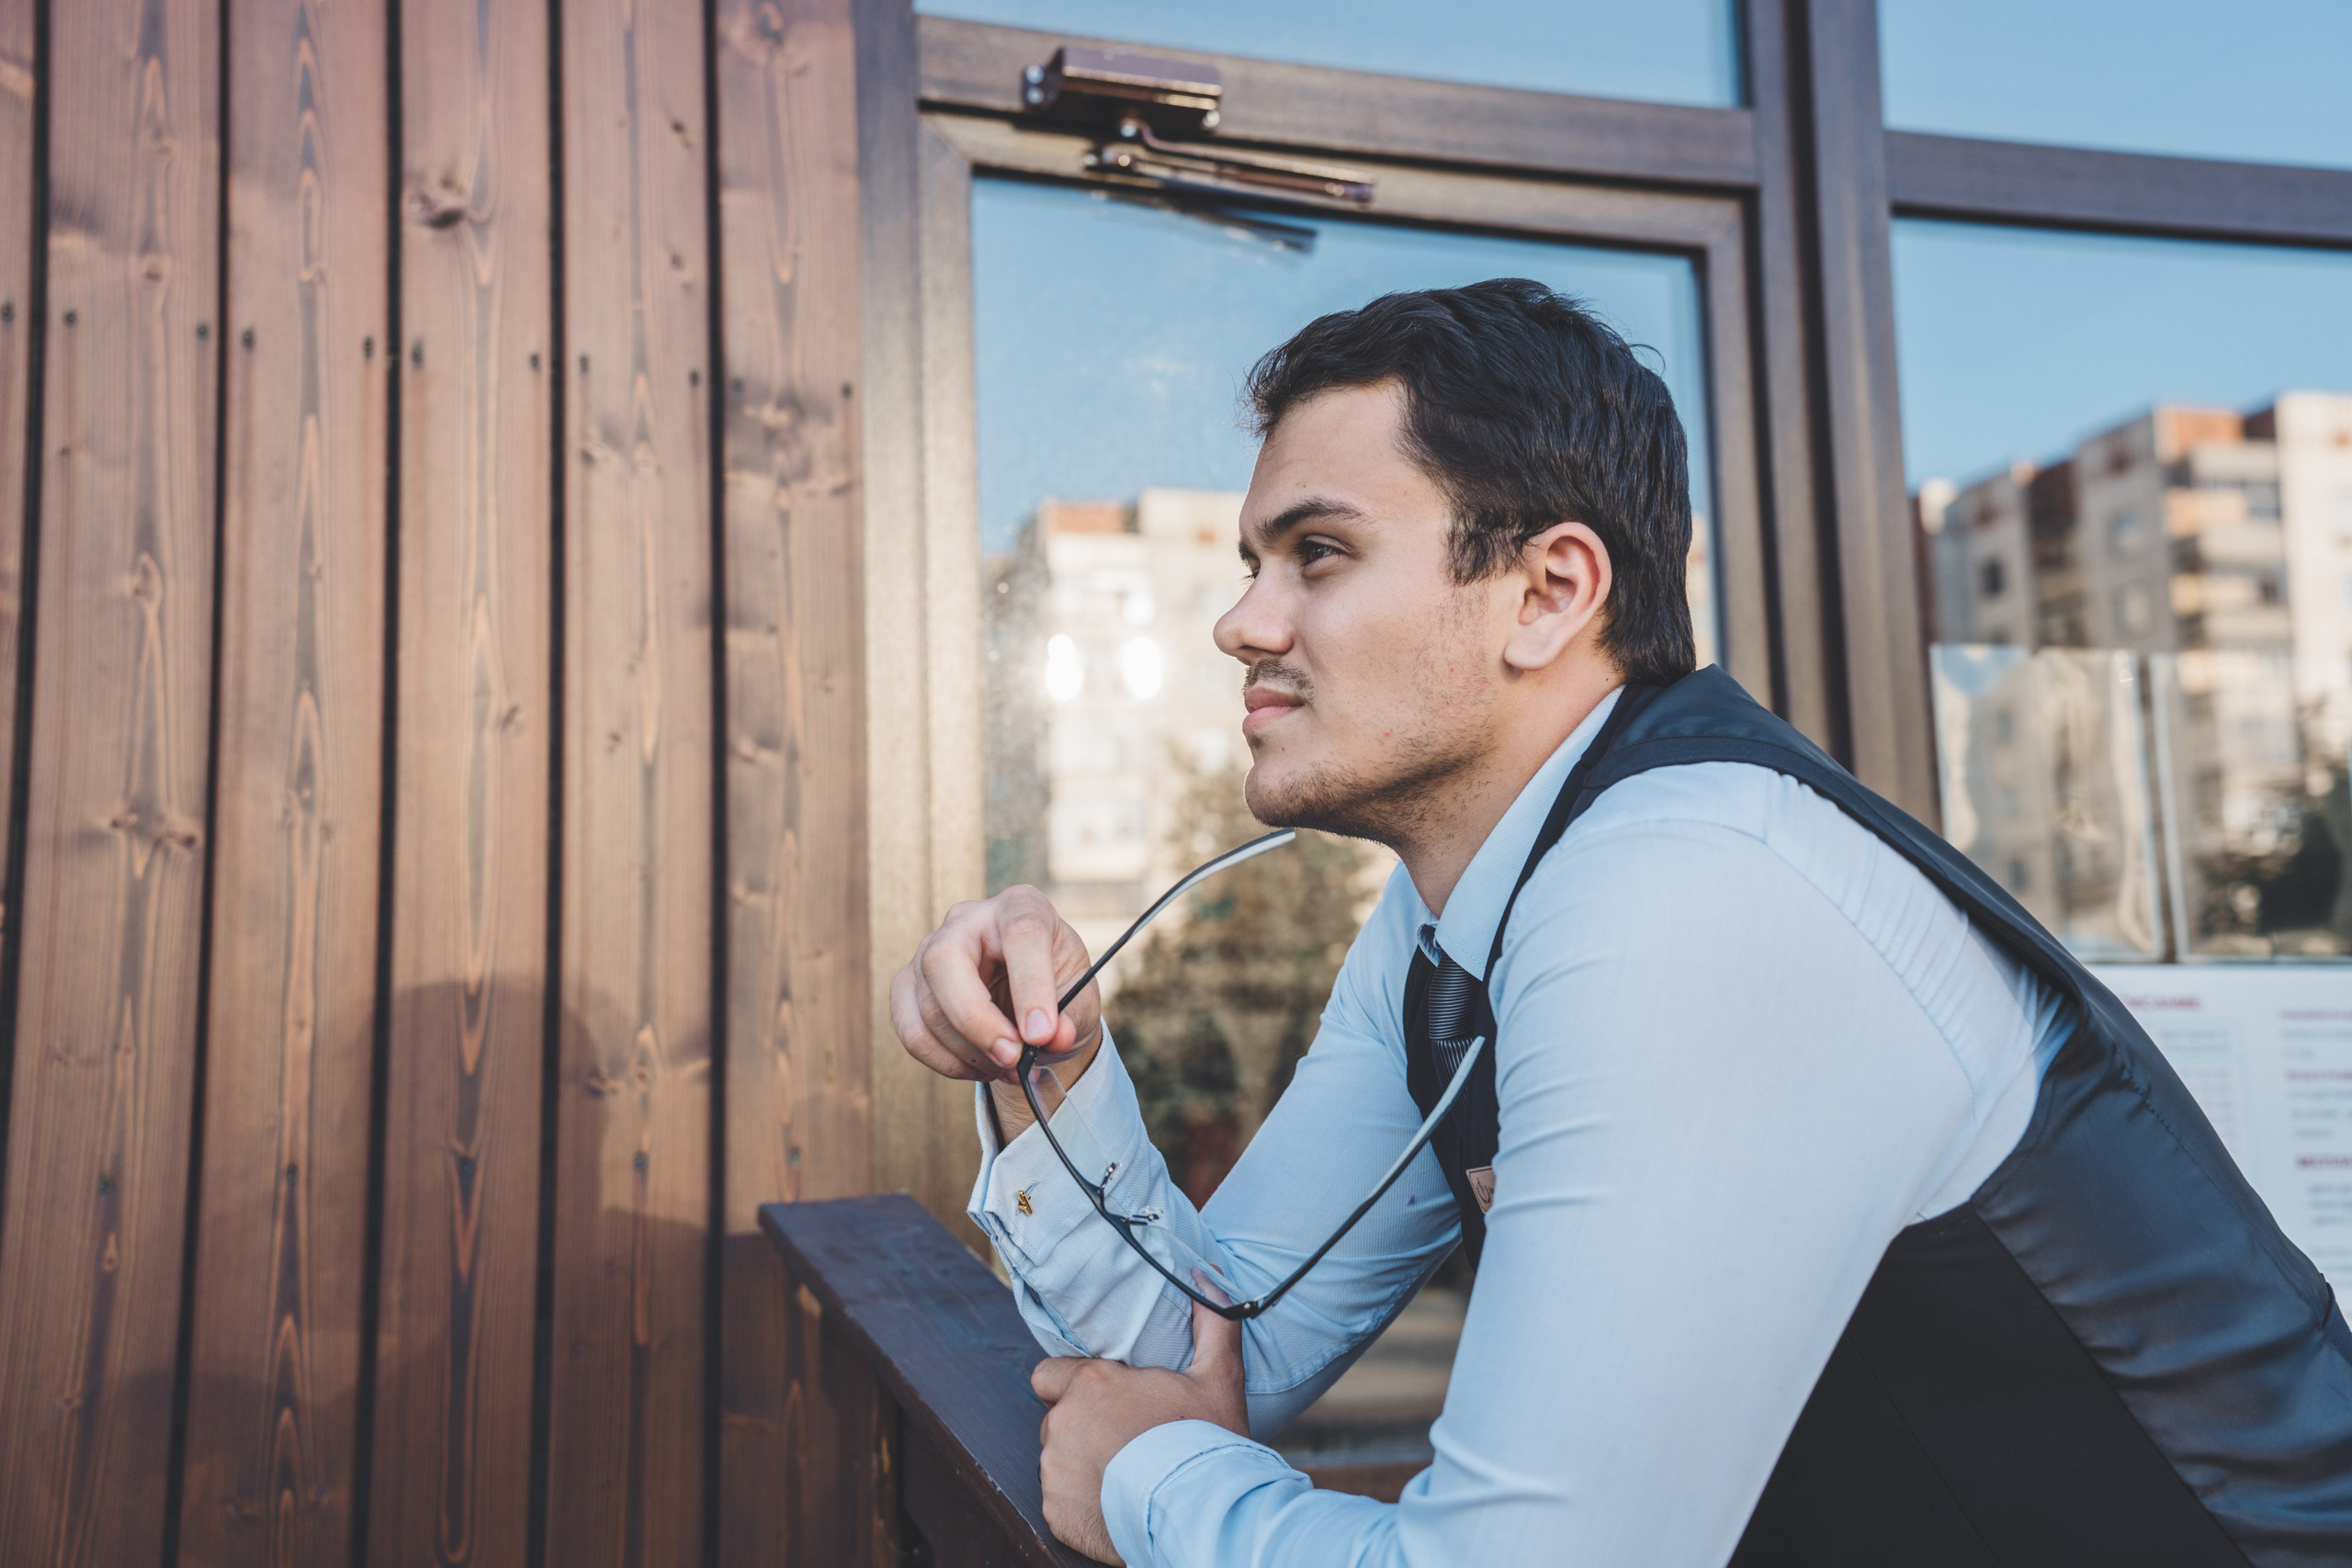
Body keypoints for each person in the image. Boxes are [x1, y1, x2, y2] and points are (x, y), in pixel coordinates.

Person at [889, 279, 2352, 1567]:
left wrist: (1152, 1483)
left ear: (1548, 592)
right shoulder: (1456, 908)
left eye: (1317, 553)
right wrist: (1050, 1071)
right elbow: (1218, 1347)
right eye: (1249, 567)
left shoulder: (1692, 886)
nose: (1245, 625)